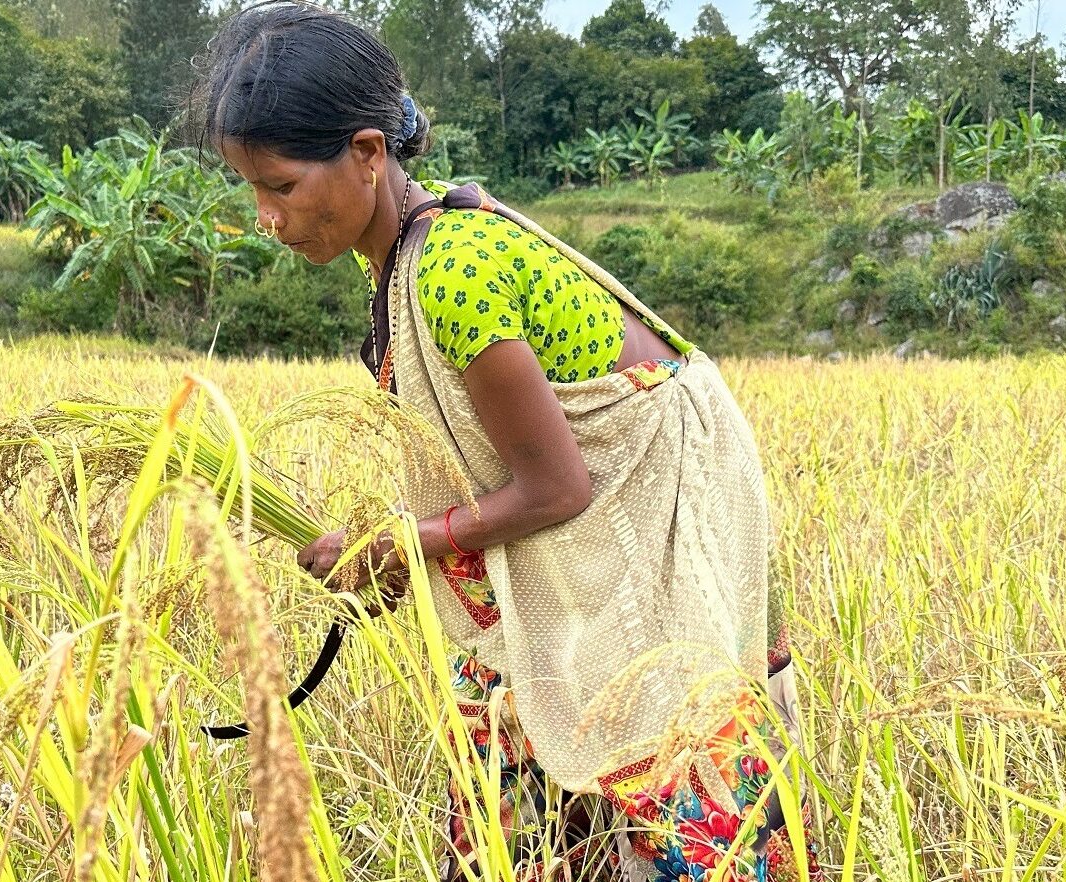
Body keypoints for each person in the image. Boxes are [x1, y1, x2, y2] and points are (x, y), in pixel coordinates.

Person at [189, 4, 819, 879]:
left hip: (649, 528)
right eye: (250, 190)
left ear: (368, 154)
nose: (267, 216)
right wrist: (403, 554)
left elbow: (558, 488)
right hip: (569, 532)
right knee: (506, 788)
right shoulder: (399, 259)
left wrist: (404, 544)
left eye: (283, 185)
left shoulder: (452, 267)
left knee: (681, 774)